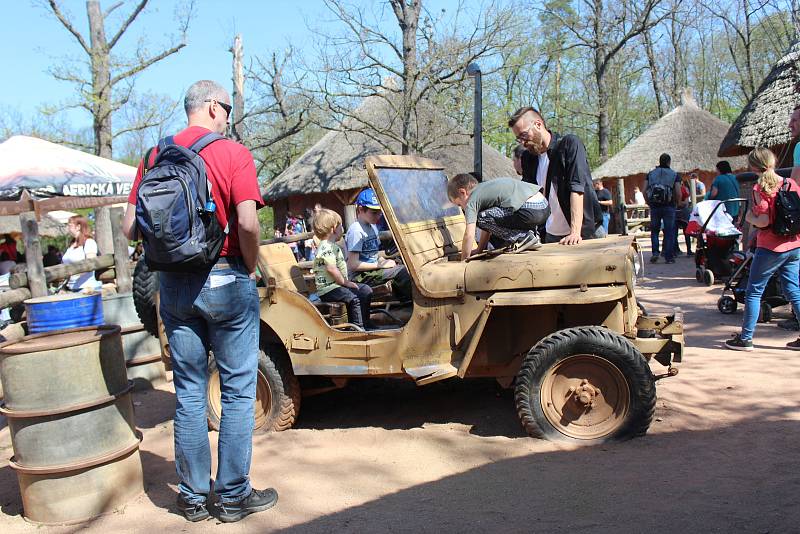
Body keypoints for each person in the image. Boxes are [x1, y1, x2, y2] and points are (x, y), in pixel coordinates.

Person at [122, 80, 276, 523]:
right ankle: (231, 496)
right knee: (237, 391)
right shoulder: (231, 153)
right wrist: (249, 265)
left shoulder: (153, 157)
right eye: (226, 108)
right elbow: (247, 221)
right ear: (211, 107)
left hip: (171, 287)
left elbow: (130, 227)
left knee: (189, 392)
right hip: (226, 277)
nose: (228, 116)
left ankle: (191, 497)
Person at [725, 147, 800, 351]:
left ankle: (746, 338)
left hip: (771, 247)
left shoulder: (761, 188)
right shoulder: (789, 183)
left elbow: (764, 220)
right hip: (793, 245)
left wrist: (749, 217)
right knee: (794, 291)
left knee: (754, 292)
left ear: (753, 166)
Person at [509, 107, 604, 245]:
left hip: (585, 232)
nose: (522, 142)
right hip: (551, 235)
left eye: (524, 135)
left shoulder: (569, 144)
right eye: (519, 139)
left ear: (538, 124)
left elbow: (576, 188)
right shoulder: (528, 158)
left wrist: (575, 232)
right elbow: (529, 197)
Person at [447, 173, 548, 260]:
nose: (462, 209)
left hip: (530, 209)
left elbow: (469, 234)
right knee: (486, 216)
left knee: (480, 218)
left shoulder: (472, 200)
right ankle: (532, 236)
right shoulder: (484, 189)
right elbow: (488, 227)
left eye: (459, 204)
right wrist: (479, 249)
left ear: (462, 192)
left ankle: (523, 237)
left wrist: (464, 261)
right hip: (543, 205)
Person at [345, 188, 412, 301]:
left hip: (372, 271)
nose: (378, 216)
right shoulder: (356, 231)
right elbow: (353, 264)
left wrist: (384, 261)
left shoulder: (373, 227)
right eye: (374, 213)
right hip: (361, 277)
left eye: (379, 212)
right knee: (403, 273)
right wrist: (380, 265)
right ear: (361, 209)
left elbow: (373, 256)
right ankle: (412, 304)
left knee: (406, 267)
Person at [313, 209, 373, 328]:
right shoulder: (326, 247)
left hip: (337, 286)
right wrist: (345, 282)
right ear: (334, 228)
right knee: (353, 298)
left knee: (365, 290)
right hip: (328, 289)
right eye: (341, 226)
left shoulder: (333, 246)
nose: (343, 229)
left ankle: (366, 324)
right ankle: (357, 329)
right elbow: (331, 269)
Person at [645, 153, 681, 264]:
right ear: (669, 162)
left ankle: (655, 253)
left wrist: (648, 202)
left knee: (655, 231)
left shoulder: (651, 174)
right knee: (669, 231)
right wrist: (677, 203)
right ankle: (669, 257)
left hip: (655, 206)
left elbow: (643, 190)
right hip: (669, 206)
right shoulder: (674, 175)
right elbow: (678, 192)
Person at [63, 215, 101, 292]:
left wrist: (75, 274)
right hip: (72, 288)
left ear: (78, 227)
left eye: (70, 226)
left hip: (87, 289)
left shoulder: (89, 242)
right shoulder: (71, 245)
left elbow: (91, 264)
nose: (67, 228)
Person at [674, 178, 693, 256]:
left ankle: (675, 251)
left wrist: (677, 204)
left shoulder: (671, 190)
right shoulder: (683, 189)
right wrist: (680, 203)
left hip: (674, 213)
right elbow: (685, 203)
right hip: (683, 213)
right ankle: (688, 250)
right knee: (686, 232)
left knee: (674, 233)